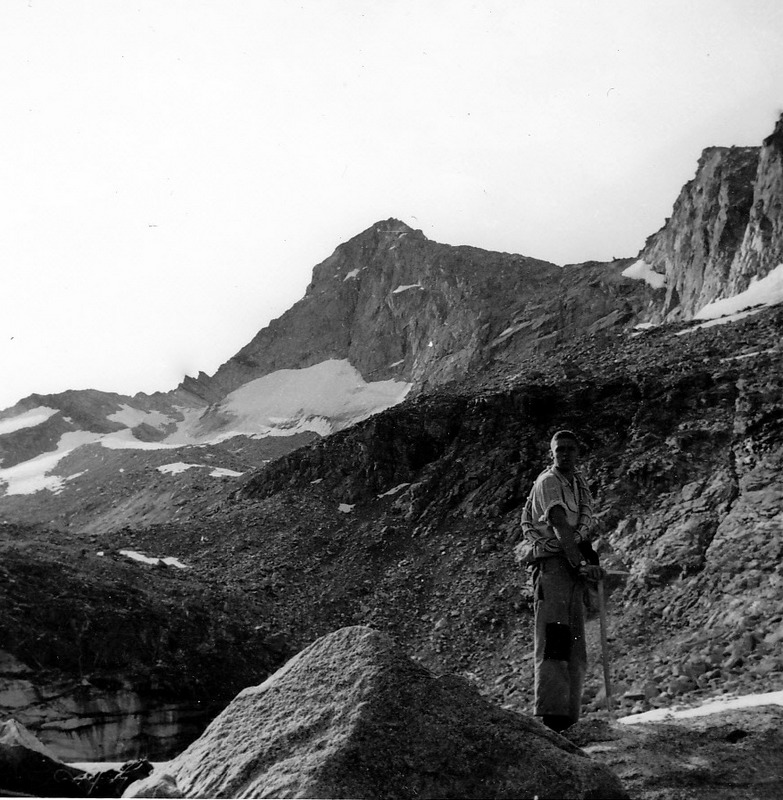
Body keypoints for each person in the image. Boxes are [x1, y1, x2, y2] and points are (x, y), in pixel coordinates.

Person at [516, 429, 603, 733]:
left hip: (572, 566)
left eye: (570, 448)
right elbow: (558, 523)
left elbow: (582, 530)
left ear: (577, 453)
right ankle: (552, 716)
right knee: (555, 640)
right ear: (551, 454)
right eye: (559, 449)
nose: (564, 454)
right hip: (554, 566)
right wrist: (579, 563)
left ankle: (570, 717)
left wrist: (587, 561)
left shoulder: (578, 484)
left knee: (575, 643)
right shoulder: (549, 482)